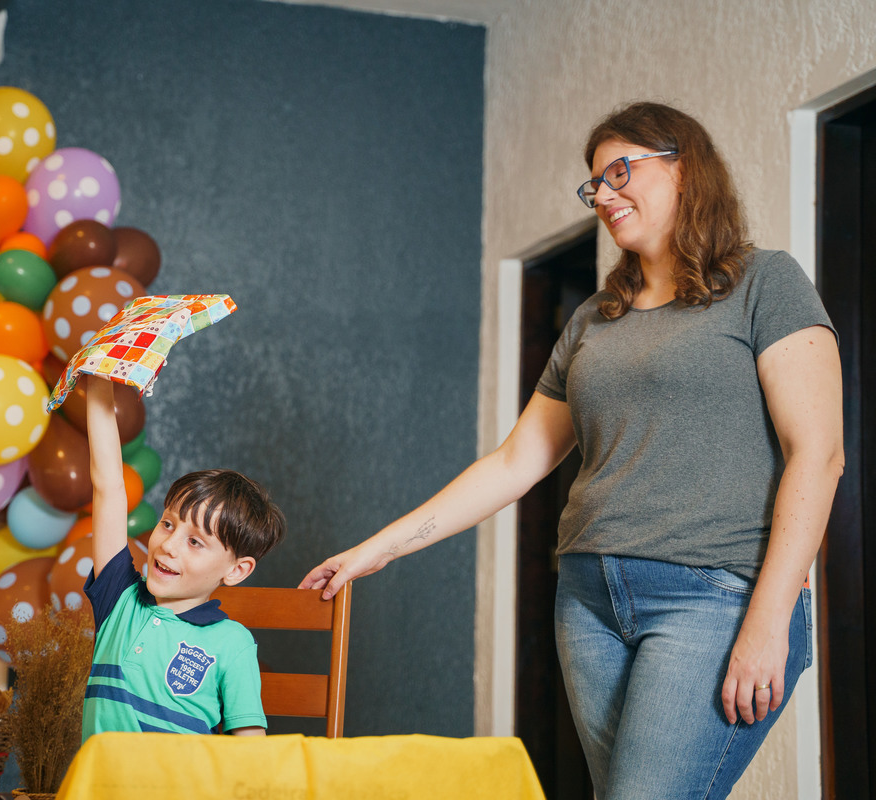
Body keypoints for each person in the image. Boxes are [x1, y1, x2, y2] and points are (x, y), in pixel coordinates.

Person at [300, 101, 844, 800]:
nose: (605, 196)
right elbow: (513, 463)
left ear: (685, 169)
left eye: (621, 171)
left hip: (713, 597)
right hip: (588, 601)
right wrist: (378, 548)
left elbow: (818, 454)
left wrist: (769, 620)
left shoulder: (764, 283)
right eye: (595, 185)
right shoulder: (594, 317)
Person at [80, 375, 286, 740]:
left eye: (195, 542)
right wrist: (98, 382)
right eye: (168, 524)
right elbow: (108, 488)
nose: (169, 545)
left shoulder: (232, 642)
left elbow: (250, 750)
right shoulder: (120, 600)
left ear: (237, 570)